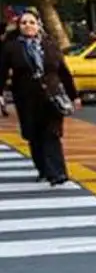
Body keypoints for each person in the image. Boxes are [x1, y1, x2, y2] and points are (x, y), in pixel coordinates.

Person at [0, 11, 80, 185]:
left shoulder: (49, 44)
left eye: (32, 22)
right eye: (24, 23)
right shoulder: (11, 47)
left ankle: (58, 172)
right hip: (26, 97)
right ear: (19, 27)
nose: (28, 26)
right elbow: (2, 72)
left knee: (52, 133)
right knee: (34, 135)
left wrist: (74, 95)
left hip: (52, 96)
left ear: (38, 25)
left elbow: (63, 71)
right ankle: (43, 169)